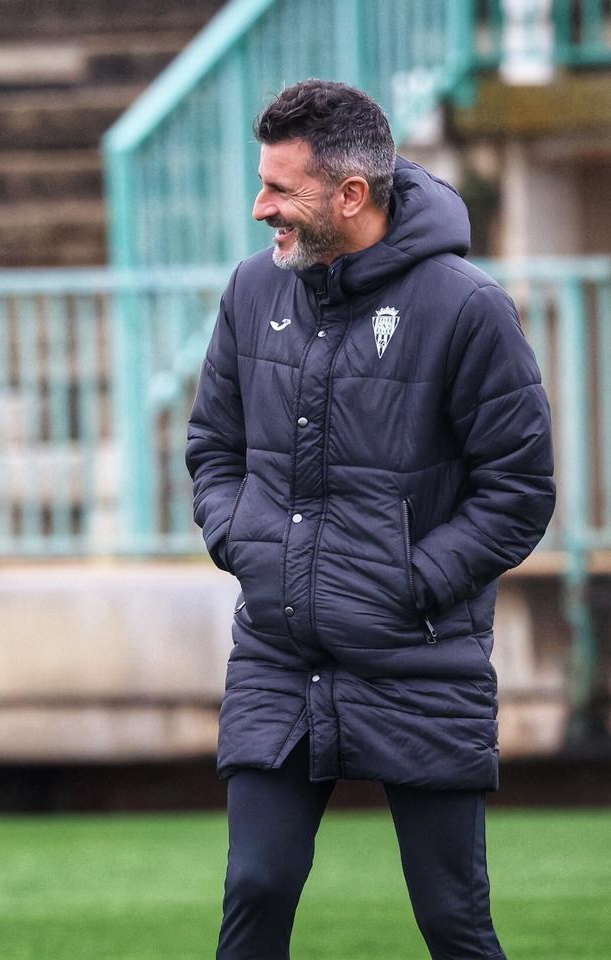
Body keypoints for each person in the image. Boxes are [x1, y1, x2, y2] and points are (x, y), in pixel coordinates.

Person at [186, 79, 554, 960]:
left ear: (351, 196)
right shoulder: (250, 292)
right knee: (256, 890)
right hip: (280, 652)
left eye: (280, 190)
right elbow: (212, 449)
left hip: (418, 658)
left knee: (453, 921)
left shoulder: (467, 307)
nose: (259, 206)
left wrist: (410, 581)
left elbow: (519, 488)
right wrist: (245, 543)